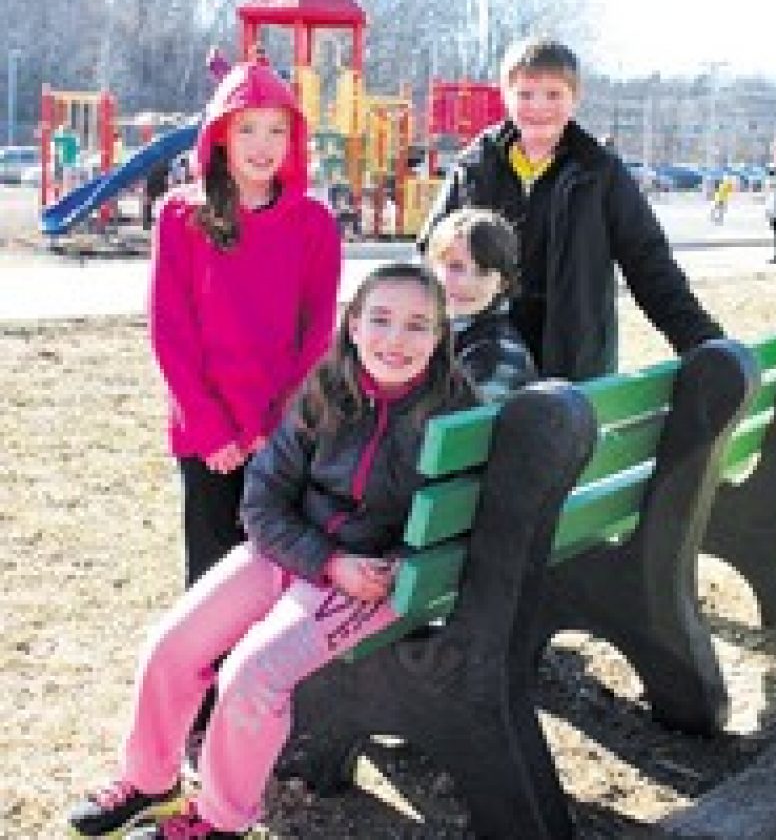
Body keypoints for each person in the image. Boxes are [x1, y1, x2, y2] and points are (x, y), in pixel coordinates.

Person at [67, 263, 476, 839]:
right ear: (353, 325)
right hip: (298, 553)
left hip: (368, 581)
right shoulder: (325, 390)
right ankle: (151, 781)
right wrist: (323, 558)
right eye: (380, 319)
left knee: (251, 677)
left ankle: (219, 821)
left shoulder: (456, 411)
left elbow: (457, 517)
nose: (396, 339)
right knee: (171, 648)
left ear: (440, 336)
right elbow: (261, 500)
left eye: (417, 325)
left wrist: (376, 567)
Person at [418, 37, 723, 380]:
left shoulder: (599, 173)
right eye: (525, 94)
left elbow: (649, 264)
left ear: (574, 99)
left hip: (569, 362)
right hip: (484, 361)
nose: (538, 106)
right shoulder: (476, 166)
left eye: (553, 95)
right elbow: (430, 256)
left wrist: (700, 340)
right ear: (506, 96)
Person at [149, 57, 342, 591]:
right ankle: (209, 676)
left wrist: (278, 425)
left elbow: (317, 334)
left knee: (276, 566)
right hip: (207, 435)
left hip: (279, 432)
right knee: (212, 573)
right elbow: (171, 332)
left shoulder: (314, 223)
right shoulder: (179, 217)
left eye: (277, 130)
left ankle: (266, 674)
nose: (263, 144)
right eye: (247, 128)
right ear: (219, 136)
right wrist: (210, 428)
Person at [426, 207, 537, 401]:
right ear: (431, 267)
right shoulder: (441, 328)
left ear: (502, 284)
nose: (465, 283)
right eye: (455, 266)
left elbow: (453, 426)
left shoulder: (495, 356)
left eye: (483, 272)